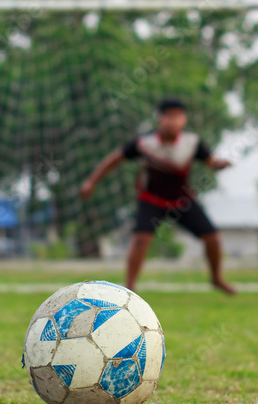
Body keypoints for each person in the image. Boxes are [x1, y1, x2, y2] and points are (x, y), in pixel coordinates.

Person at [81, 98, 237, 295]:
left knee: (212, 237)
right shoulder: (145, 143)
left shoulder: (192, 143)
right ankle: (129, 287)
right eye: (169, 116)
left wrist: (220, 164)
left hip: (181, 200)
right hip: (151, 199)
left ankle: (216, 279)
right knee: (140, 240)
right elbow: (114, 159)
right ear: (160, 119)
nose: (173, 121)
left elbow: (211, 161)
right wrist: (91, 182)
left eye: (178, 116)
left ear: (184, 120)